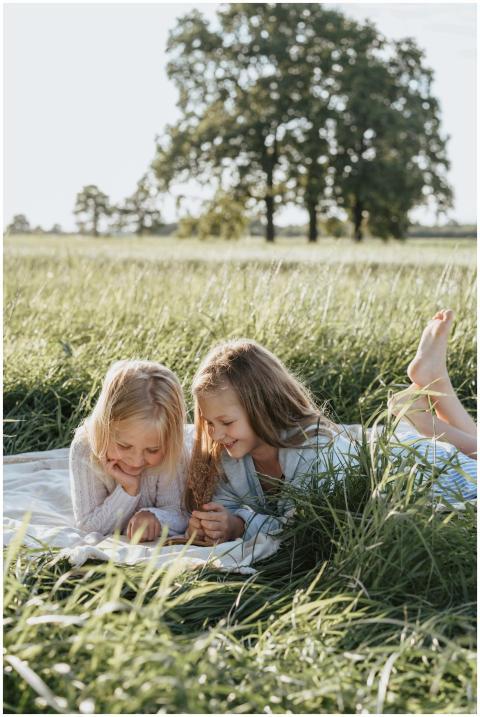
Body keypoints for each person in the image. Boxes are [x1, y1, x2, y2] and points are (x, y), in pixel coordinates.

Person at [185, 310, 476, 545]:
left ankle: (424, 408)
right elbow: (229, 506)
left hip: (417, 471)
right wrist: (215, 523)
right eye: (209, 423)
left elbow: (296, 529)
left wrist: (238, 526)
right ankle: (426, 396)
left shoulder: (312, 450)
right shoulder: (232, 458)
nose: (216, 434)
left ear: (262, 407)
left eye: (226, 422)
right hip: (382, 449)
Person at [70, 360, 191, 542]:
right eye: (124, 446)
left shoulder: (173, 450)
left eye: (152, 449)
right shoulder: (84, 448)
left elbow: (182, 515)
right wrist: (128, 490)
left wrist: (153, 517)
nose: (136, 461)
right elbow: (88, 526)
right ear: (105, 428)